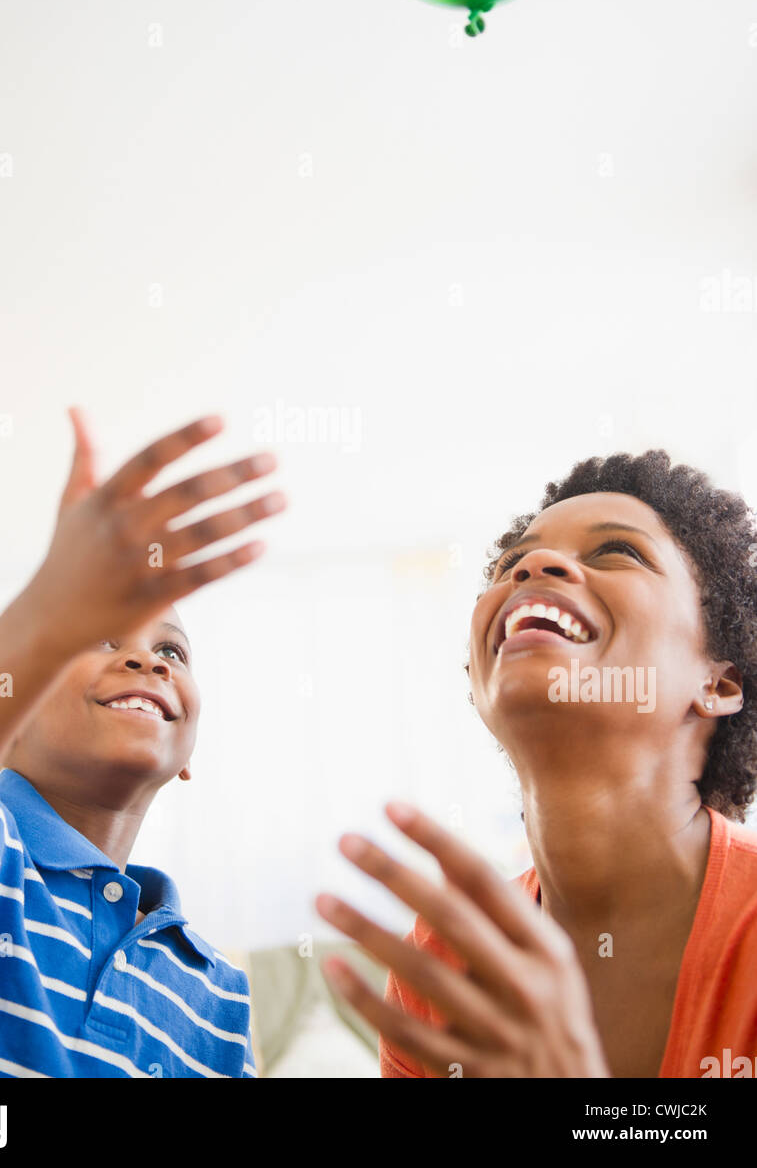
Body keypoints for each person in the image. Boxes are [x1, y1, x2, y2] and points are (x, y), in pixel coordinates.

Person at [0, 409, 285, 1078]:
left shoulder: (218, 994)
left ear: (190, 756)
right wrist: (46, 619)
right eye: (104, 640)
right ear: (6, 716)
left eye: (171, 648)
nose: (150, 662)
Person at [316, 451, 757, 1078]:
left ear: (718, 684)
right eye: (508, 564)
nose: (532, 566)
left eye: (617, 552)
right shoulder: (440, 966)